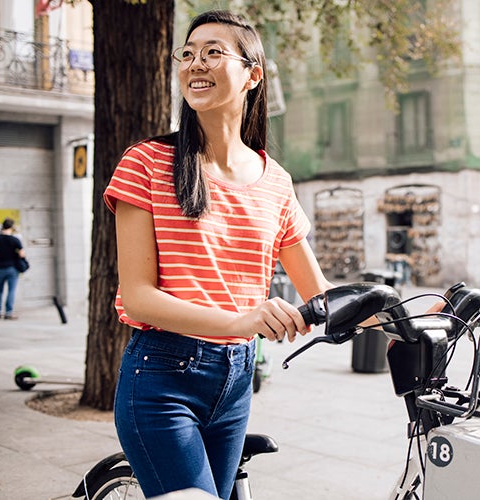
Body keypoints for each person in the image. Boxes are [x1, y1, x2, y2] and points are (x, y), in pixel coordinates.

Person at [102, 11, 334, 499]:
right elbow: (138, 299)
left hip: (236, 383)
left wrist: (404, 317)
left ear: (253, 74)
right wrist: (242, 321)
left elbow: (321, 294)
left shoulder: (276, 181)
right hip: (162, 379)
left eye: (212, 52)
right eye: (186, 54)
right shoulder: (145, 163)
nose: (194, 64)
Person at [0, 217, 25, 319]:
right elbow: (22, 254)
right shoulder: (15, 240)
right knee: (11, 290)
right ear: (11, 227)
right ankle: (8, 313)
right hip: (12, 268)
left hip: (1, 267)